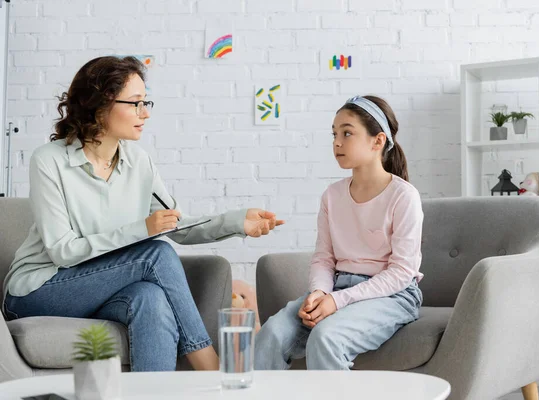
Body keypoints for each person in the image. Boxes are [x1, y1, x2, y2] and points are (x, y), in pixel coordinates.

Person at [2, 56, 283, 372]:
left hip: (104, 285)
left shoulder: (139, 162)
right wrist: (141, 229)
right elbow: (62, 251)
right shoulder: (49, 161)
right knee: (155, 253)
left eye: (145, 102)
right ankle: (210, 368)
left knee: (150, 298)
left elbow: (174, 225)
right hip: (39, 289)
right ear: (100, 104)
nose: (145, 113)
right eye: (135, 103)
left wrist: (237, 221)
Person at [254, 95, 423, 370]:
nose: (337, 142)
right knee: (272, 334)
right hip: (339, 287)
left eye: (347, 133)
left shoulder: (403, 196)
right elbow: (324, 258)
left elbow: (402, 272)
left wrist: (337, 300)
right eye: (334, 134)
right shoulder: (332, 196)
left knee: (325, 338)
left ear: (377, 141)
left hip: (393, 296)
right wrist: (320, 292)